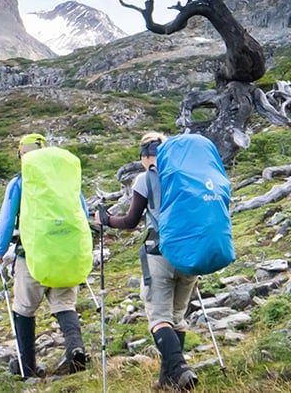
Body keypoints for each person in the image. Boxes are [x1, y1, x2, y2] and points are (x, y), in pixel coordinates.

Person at [96, 131, 199, 391]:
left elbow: (130, 221)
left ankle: (179, 369)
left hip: (160, 254)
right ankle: (168, 380)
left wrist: (106, 220)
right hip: (191, 253)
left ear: (144, 156)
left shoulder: (145, 178)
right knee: (176, 317)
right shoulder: (186, 173)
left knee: (158, 318)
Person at [0, 133, 92, 379]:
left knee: (24, 310)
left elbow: (6, 220)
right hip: (67, 254)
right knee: (65, 306)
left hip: (32, 257)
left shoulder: (20, 182)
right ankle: (76, 349)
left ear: (21, 154)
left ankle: (28, 368)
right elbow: (84, 213)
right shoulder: (65, 180)